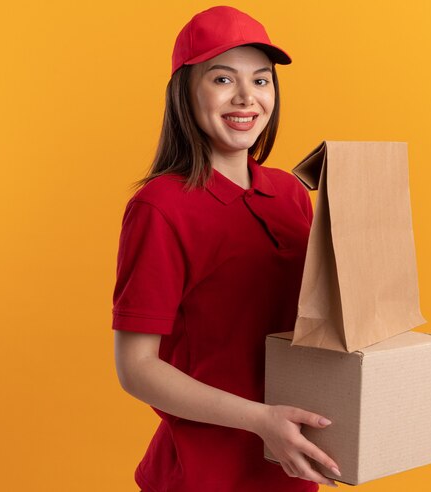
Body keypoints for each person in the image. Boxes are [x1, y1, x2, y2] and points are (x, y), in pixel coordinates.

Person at [111, 6, 341, 491]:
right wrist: (261, 420)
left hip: (292, 464)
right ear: (185, 93)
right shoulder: (161, 207)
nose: (247, 98)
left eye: (261, 81)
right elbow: (136, 368)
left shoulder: (292, 193)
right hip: (203, 472)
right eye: (222, 79)